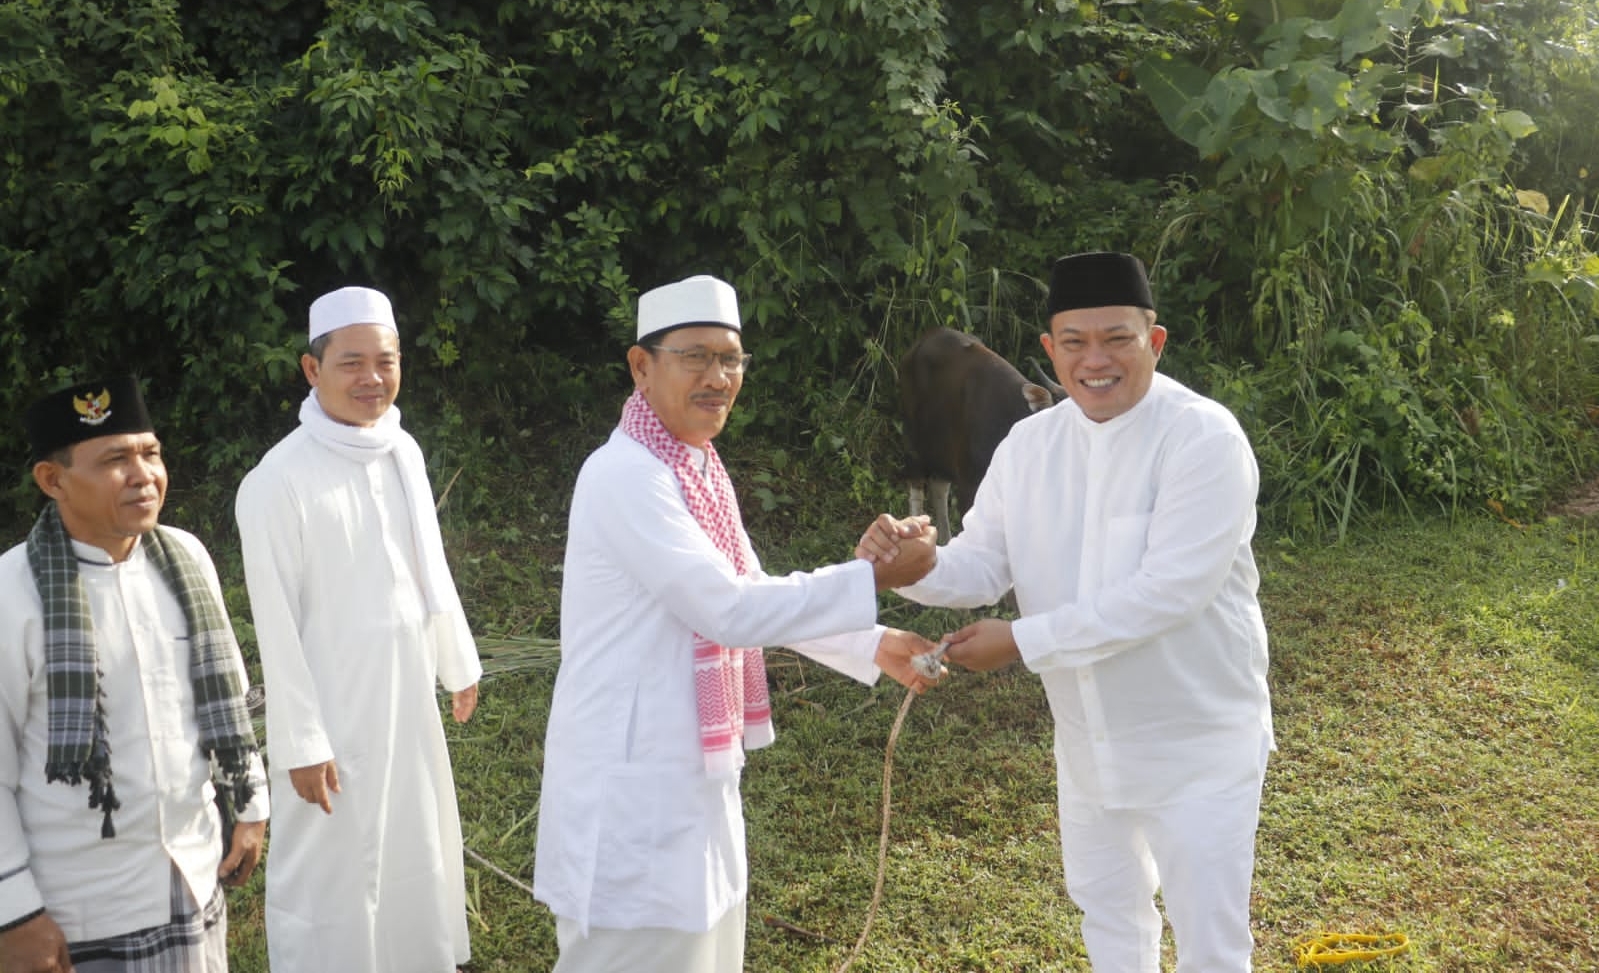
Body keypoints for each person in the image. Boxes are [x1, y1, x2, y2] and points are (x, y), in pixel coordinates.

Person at [860, 252, 1274, 971]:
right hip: (1086, 741)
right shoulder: (1030, 445)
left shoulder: (1201, 438)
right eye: (1074, 343)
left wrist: (1019, 640)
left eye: (1116, 338)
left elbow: (1167, 592)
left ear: (1155, 340)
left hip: (1195, 743)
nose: (1095, 360)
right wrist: (913, 568)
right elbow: (983, 561)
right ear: (1048, 351)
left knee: (1209, 943)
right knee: (1108, 916)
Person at [533, 274, 942, 973]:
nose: (717, 377)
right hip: (631, 786)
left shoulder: (693, 469)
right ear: (641, 365)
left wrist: (875, 643)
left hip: (690, 776)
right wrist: (870, 578)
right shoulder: (626, 475)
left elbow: (750, 590)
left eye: (731, 360)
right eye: (695, 356)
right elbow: (727, 608)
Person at [234, 286, 482, 973]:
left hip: (404, 694)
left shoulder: (401, 447)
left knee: (414, 839)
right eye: (351, 363)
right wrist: (301, 740)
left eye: (386, 360)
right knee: (330, 867)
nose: (372, 378)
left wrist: (453, 657)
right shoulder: (276, 480)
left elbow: (427, 563)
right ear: (312, 370)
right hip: (331, 707)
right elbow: (276, 626)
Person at [0, 375, 269, 973]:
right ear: (53, 480)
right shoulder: (10, 593)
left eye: (150, 453)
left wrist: (249, 807)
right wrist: (14, 915)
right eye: (115, 459)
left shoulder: (186, 559)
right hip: (78, 907)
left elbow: (224, 695)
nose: (144, 474)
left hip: (193, 877)